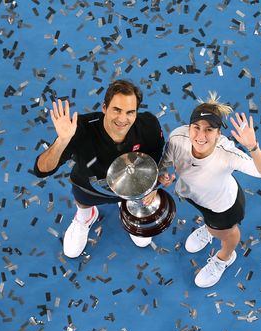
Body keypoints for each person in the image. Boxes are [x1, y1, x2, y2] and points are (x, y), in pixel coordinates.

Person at [33, 80, 165, 258]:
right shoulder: (79, 129)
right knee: (83, 203)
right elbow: (42, 170)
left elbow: (154, 160)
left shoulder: (148, 127)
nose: (122, 119)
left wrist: (152, 186)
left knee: (144, 238)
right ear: (104, 107)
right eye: (116, 110)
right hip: (90, 187)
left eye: (130, 112)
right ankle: (86, 215)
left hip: (132, 186)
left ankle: (128, 205)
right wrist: (62, 141)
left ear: (136, 113)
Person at [158, 93, 261, 287]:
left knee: (228, 233)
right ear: (189, 127)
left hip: (223, 207)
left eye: (209, 130)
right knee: (211, 224)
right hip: (192, 195)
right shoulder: (178, 137)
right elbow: (165, 161)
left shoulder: (227, 154)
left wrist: (253, 147)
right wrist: (161, 174)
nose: (201, 136)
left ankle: (224, 258)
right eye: (196, 128)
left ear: (219, 133)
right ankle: (210, 229)